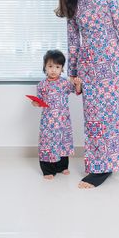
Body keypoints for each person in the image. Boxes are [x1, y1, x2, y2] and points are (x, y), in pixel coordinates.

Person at [55, 0, 119, 189]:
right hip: (89, 71)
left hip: (115, 67)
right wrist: (72, 74)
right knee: (95, 121)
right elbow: (73, 43)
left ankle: (111, 164)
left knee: (118, 117)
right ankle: (99, 167)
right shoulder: (73, 7)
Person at [31, 49, 82, 180]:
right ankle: (48, 169)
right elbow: (39, 101)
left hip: (62, 120)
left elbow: (77, 92)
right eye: (50, 66)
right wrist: (36, 103)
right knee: (47, 143)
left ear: (62, 69)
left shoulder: (64, 83)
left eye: (57, 67)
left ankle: (62, 166)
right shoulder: (42, 85)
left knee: (62, 141)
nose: (53, 70)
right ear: (45, 67)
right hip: (48, 120)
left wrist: (77, 84)